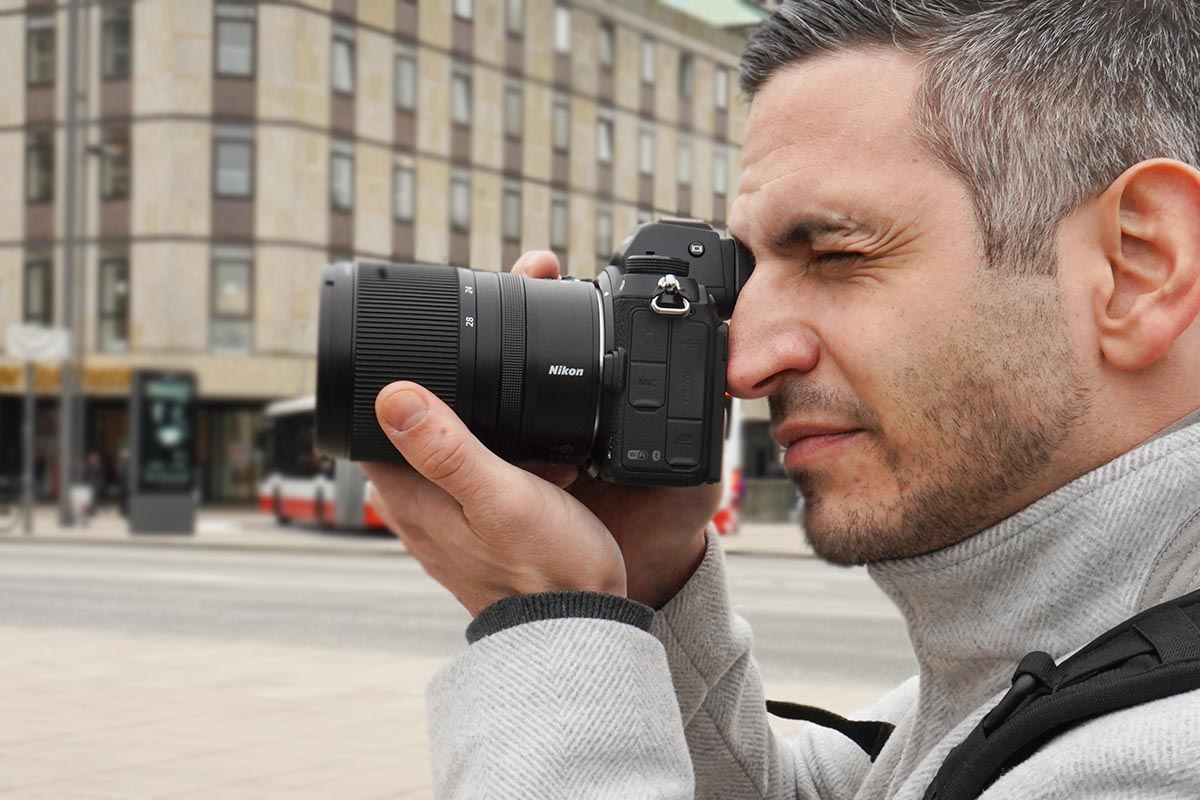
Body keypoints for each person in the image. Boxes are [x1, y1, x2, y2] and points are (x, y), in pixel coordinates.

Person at [363, 1, 1200, 797]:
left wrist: (550, 624)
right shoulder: (1056, 653)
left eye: (834, 255)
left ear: (1138, 265)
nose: (744, 361)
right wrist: (644, 590)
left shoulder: (1157, 755)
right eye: (747, 273)